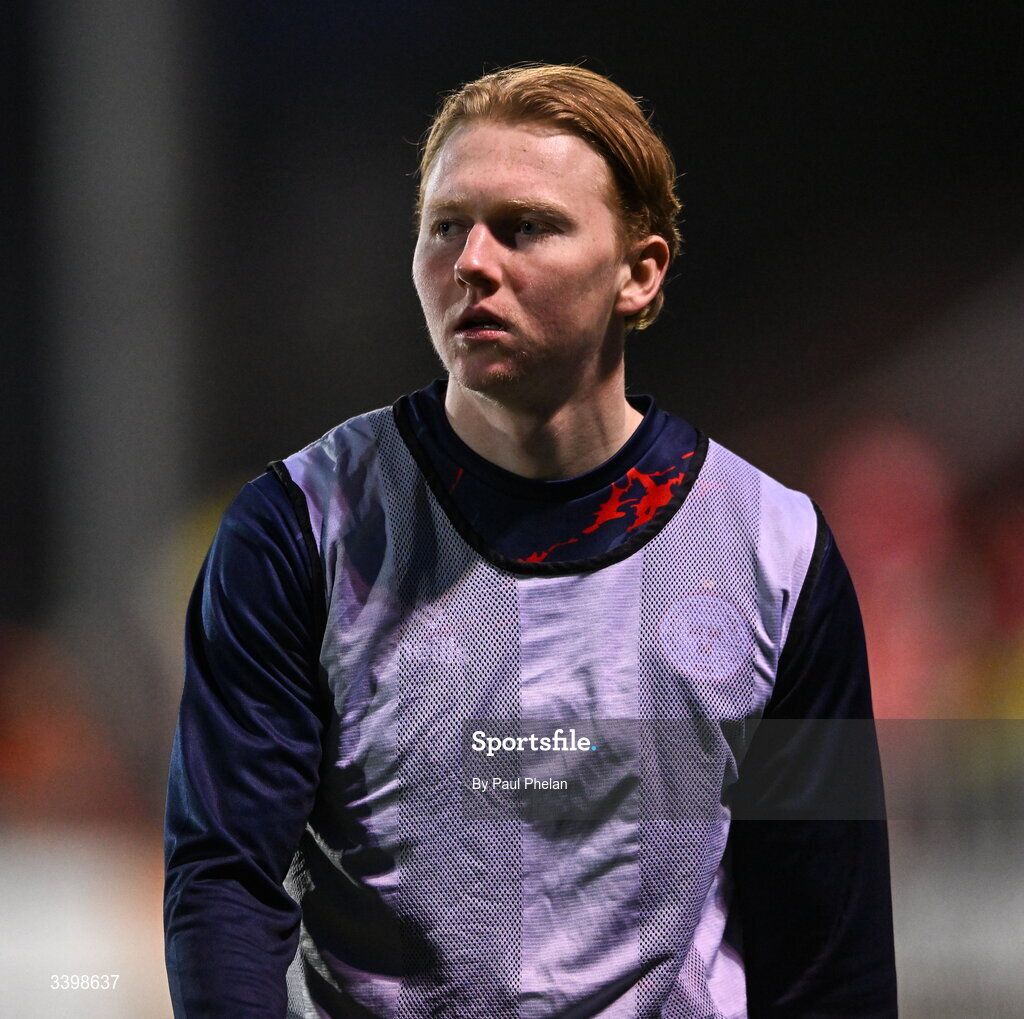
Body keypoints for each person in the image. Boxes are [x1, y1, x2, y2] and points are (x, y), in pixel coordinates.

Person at [164, 64, 897, 1018]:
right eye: (444, 225)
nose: (472, 260)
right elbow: (224, 880)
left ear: (640, 272)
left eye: (525, 227)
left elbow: (828, 948)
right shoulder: (297, 529)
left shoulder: (778, 553)